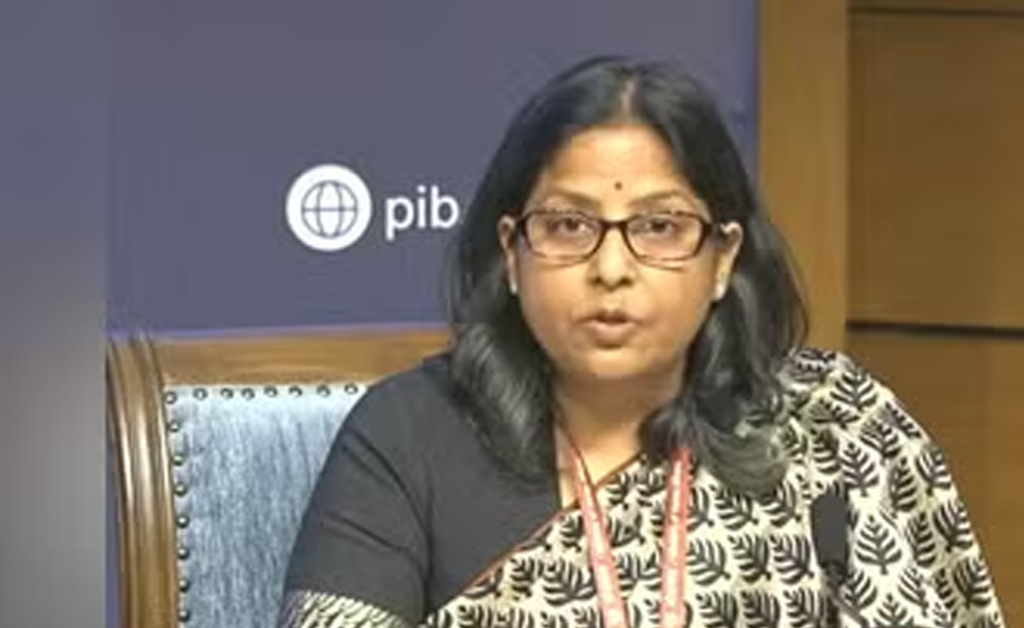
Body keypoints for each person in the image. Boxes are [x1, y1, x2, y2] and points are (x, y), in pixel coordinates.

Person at [278, 56, 1003, 628]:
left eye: (659, 227)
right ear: (512, 253)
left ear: (722, 259)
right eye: (569, 225)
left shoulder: (829, 430)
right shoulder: (408, 436)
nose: (611, 269)